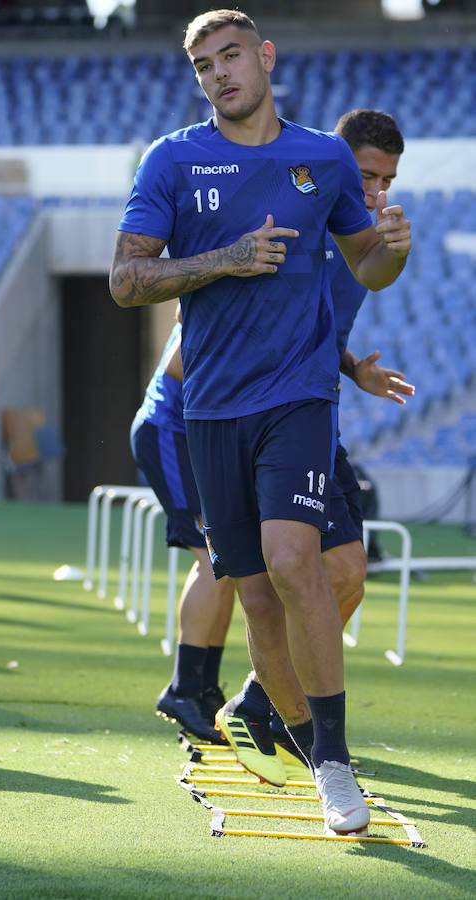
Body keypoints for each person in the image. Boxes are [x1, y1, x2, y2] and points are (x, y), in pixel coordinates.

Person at [110, 10, 411, 837]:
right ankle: (310, 753)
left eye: (231, 55)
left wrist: (395, 247)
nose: (218, 73)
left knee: (295, 563)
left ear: (265, 56)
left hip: (297, 401)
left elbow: (368, 269)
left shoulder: (320, 157)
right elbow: (125, 280)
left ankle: (339, 764)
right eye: (203, 64)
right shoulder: (171, 159)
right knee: (257, 600)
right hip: (208, 408)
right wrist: (224, 259)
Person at [215, 108, 415, 785]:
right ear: (331, 165)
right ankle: (267, 709)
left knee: (346, 574)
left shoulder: (364, 239)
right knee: (289, 577)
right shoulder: (292, 214)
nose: (374, 193)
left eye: (386, 180)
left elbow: (321, 323)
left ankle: (260, 697)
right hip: (261, 413)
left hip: (313, 410)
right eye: (364, 175)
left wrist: (353, 365)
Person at [130, 308, 235, 744]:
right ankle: (182, 689)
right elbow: (179, 362)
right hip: (170, 432)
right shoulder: (224, 285)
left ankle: (205, 688)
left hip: (190, 437)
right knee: (213, 562)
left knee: (229, 563)